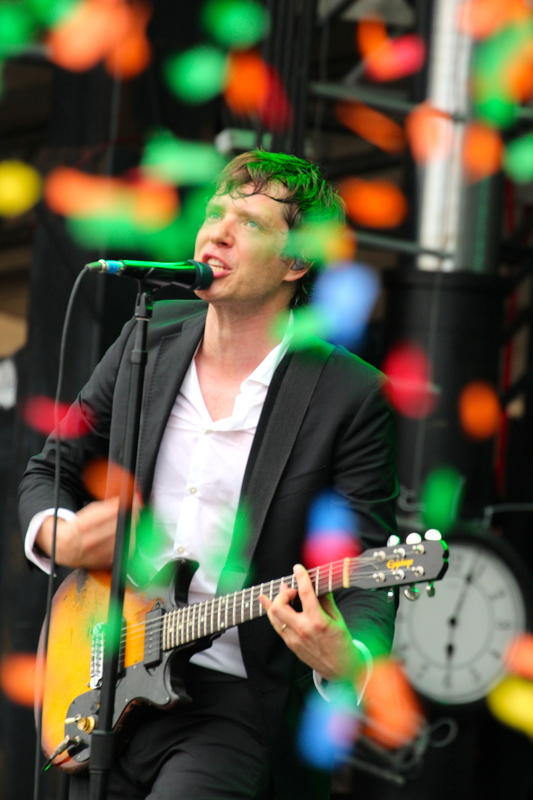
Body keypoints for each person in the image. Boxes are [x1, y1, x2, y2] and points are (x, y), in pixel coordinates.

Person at [18, 150, 398, 800]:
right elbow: (52, 467)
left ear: (296, 262)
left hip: (233, 700)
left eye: (247, 223)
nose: (215, 233)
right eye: (213, 213)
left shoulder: (349, 393)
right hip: (105, 671)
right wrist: (63, 537)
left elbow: (362, 561)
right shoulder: (145, 338)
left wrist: (348, 656)